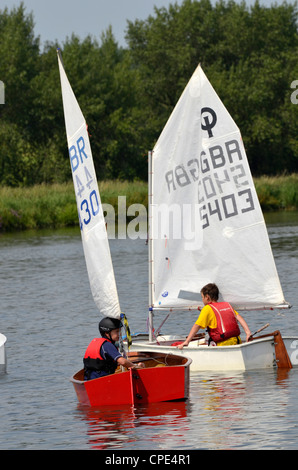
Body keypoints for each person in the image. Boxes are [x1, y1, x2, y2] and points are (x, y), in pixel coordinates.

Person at [178, 283, 252, 349]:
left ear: (207, 297)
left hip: (224, 345)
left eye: (202, 297)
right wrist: (248, 333)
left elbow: (197, 325)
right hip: (237, 341)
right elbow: (240, 318)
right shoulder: (226, 305)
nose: (202, 299)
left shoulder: (207, 308)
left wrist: (187, 341)